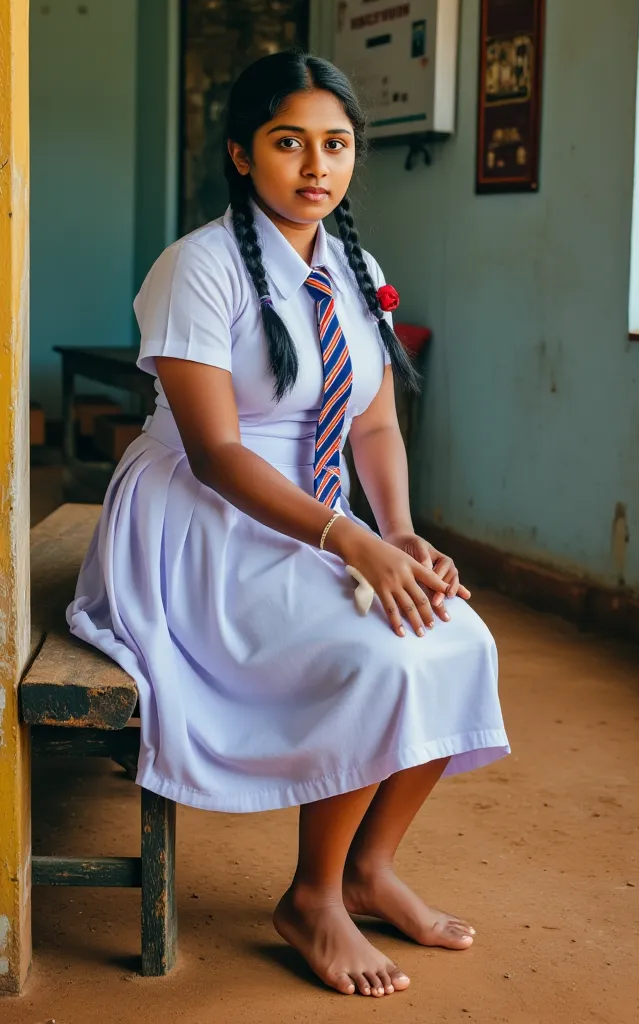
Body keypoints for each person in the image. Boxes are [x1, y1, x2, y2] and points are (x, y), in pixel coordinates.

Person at [67, 50, 509, 998]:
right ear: (241, 153)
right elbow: (219, 453)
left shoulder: (356, 267)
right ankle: (312, 898)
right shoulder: (200, 266)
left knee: (460, 635)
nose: (316, 165)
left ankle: (368, 867)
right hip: (198, 516)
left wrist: (396, 527)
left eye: (336, 145)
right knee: (379, 653)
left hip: (318, 512)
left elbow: (377, 420)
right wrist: (350, 539)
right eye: (288, 142)